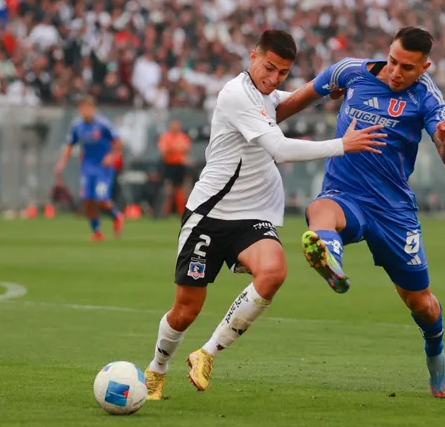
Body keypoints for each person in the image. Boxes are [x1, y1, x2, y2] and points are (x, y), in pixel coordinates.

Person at [143, 30, 386, 399]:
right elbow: (280, 149)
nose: (273, 78)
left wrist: (329, 89)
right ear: (252, 56)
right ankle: (157, 368)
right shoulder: (236, 94)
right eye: (269, 68)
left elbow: (292, 100)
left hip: (251, 216)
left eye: (282, 72)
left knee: (274, 272)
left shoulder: (266, 95)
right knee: (186, 310)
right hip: (210, 215)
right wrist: (342, 144)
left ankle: (206, 353)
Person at [274, 26, 445, 399]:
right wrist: (252, 126)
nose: (397, 72)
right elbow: (292, 103)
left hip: (393, 210)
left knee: (421, 304)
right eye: (393, 61)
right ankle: (329, 256)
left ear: (424, 67)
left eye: (408, 68)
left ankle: (435, 350)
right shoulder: (349, 71)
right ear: (388, 52)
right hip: (345, 194)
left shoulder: (426, 97)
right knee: (319, 209)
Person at [55, 96, 125, 240]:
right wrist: (61, 163)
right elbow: (70, 145)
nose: (85, 111)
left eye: (87, 107)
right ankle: (97, 231)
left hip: (103, 167)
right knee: (88, 200)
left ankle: (116, 216)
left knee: (101, 199)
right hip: (87, 167)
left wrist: (111, 156)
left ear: (93, 109)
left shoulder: (103, 124)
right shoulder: (77, 126)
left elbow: (118, 143)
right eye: (82, 108)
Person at [157, 120, 192, 216]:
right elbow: (164, 151)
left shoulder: (182, 137)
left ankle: (181, 212)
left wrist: (173, 150)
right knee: (168, 190)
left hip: (180, 166)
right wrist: (177, 150)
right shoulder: (165, 137)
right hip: (169, 166)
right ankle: (164, 213)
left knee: (181, 190)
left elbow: (187, 150)